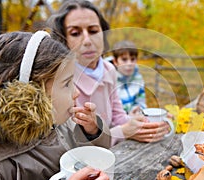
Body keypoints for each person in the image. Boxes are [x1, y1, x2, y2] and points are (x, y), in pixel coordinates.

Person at [0, 31, 111, 180]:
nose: (76, 93)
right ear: (26, 96)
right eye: (66, 84)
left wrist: (93, 130)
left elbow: (100, 152)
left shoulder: (62, 125)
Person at [48, 0, 171, 146]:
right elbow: (75, 142)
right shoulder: (61, 81)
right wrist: (124, 132)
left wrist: (144, 123)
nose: (87, 40)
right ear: (64, 39)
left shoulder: (109, 69)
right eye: (75, 33)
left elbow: (118, 116)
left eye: (93, 31)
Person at [111, 40, 146, 115]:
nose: (129, 63)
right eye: (124, 59)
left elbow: (141, 101)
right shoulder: (110, 80)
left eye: (132, 59)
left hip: (135, 119)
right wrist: (127, 115)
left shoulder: (138, 78)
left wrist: (138, 110)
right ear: (115, 62)